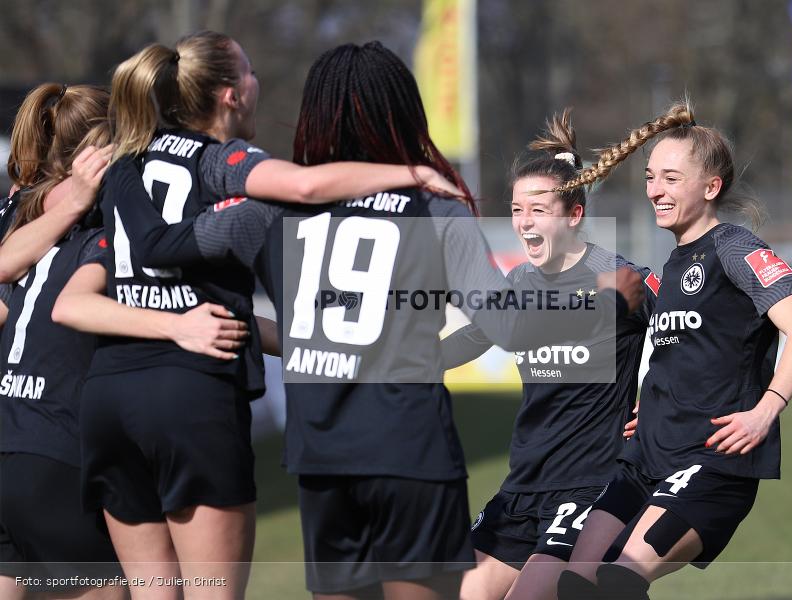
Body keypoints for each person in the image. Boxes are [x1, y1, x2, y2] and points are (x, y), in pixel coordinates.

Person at [99, 41, 647, 600]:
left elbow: (160, 247)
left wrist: (124, 171)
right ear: (404, 113)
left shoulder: (267, 210)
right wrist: (607, 303)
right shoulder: (435, 207)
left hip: (321, 459)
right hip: (411, 451)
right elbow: (504, 324)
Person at [52, 30, 464, 600]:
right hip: (189, 397)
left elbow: (77, 296)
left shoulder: (126, 160)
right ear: (228, 95)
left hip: (110, 397)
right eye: (248, 72)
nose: (257, 83)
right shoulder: (224, 165)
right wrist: (409, 174)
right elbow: (307, 183)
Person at [555, 102, 792, 599]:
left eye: (672, 179)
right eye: (651, 177)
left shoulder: (736, 249)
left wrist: (766, 412)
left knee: (617, 581)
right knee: (575, 583)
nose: (656, 190)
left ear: (710, 187)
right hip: (644, 457)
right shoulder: (671, 267)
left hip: (711, 463)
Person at [0, 83, 242, 600]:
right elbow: (82, 306)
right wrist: (180, 325)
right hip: (59, 455)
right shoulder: (106, 229)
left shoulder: (19, 218)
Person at [439, 109, 658, 600]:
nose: (524, 222)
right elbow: (473, 338)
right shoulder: (519, 283)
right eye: (517, 209)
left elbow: (685, 335)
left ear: (574, 215)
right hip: (523, 484)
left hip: (590, 486)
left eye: (538, 209)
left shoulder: (623, 279)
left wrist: (661, 401)